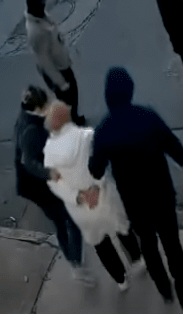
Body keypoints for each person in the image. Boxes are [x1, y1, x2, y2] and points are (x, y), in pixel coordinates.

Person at [88, 67, 183, 311]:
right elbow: (176, 149)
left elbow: (96, 170)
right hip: (160, 193)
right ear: (130, 91)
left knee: (149, 246)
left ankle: (164, 289)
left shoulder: (104, 130)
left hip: (134, 201)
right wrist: (179, 157)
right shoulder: (146, 116)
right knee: (172, 243)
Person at [43, 101, 146, 292]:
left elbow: (55, 184)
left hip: (81, 211)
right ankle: (137, 260)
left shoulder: (49, 154)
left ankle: (120, 280)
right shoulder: (87, 136)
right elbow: (102, 161)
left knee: (100, 243)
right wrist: (95, 188)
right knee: (122, 227)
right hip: (105, 197)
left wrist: (79, 197)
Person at [13, 85, 93, 286]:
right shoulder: (30, 130)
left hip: (38, 186)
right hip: (41, 188)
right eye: (45, 105)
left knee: (61, 222)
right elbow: (28, 161)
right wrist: (51, 173)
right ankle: (76, 264)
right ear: (37, 108)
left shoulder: (25, 118)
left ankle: (74, 260)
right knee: (69, 220)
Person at [25, 0, 84, 125]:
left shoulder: (41, 17)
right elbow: (44, 62)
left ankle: (73, 118)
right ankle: (71, 124)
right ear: (36, 4)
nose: (45, 2)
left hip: (61, 63)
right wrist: (60, 83)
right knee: (68, 98)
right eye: (42, 0)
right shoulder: (36, 31)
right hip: (58, 70)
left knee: (72, 95)